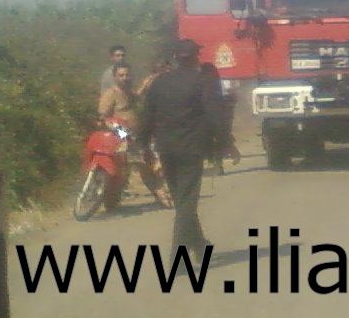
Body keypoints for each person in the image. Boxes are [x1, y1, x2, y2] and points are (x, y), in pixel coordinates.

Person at [135, 39, 223, 256]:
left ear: (175, 58)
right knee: (186, 203)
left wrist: (143, 144)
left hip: (166, 149)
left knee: (182, 200)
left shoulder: (158, 83)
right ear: (196, 57)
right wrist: (222, 143)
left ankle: (200, 246)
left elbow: (146, 117)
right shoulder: (202, 81)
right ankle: (178, 257)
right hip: (191, 149)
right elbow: (213, 115)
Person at [97, 63, 171, 208]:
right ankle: (110, 202)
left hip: (135, 137)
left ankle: (163, 197)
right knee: (124, 173)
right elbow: (103, 118)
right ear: (114, 77)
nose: (125, 78)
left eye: (127, 75)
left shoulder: (128, 92)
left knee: (147, 167)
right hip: (120, 139)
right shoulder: (110, 94)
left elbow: (136, 97)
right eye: (121, 75)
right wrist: (123, 133)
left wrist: (146, 84)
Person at [196, 60, 242, 173]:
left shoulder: (201, 82)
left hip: (208, 114)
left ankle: (218, 162)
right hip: (216, 114)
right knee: (221, 138)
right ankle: (221, 162)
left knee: (217, 139)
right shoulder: (215, 81)